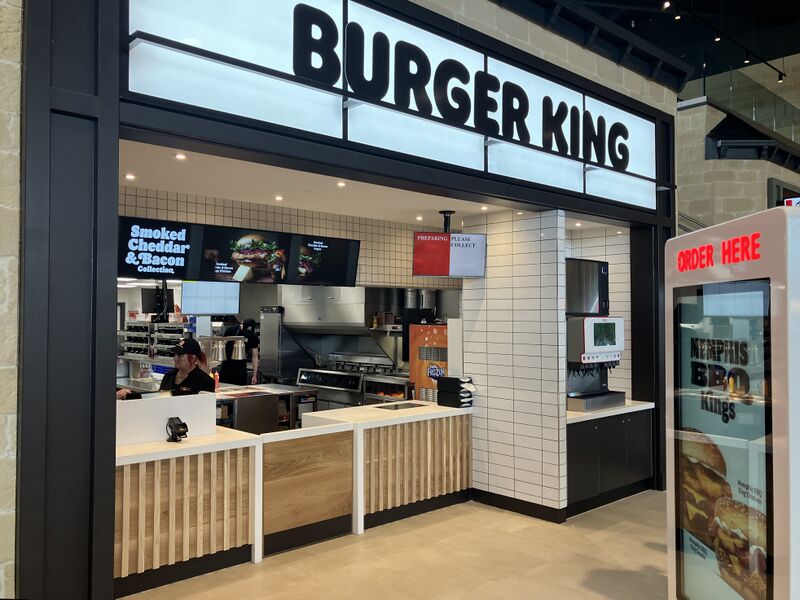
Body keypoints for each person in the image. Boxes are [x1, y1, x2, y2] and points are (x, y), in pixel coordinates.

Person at [220, 318, 260, 385]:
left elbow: (255, 356)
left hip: (241, 367)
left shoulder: (253, 337)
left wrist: (254, 375)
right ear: (241, 324)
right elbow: (222, 345)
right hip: (226, 367)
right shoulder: (231, 330)